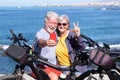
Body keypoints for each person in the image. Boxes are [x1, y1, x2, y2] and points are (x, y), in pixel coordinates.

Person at [33, 11, 62, 80]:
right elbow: (40, 42)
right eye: (51, 23)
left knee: (65, 76)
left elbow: (65, 31)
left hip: (52, 65)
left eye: (55, 23)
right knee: (54, 77)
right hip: (40, 66)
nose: (53, 26)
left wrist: (74, 31)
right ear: (45, 22)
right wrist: (46, 42)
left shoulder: (54, 32)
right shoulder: (40, 33)